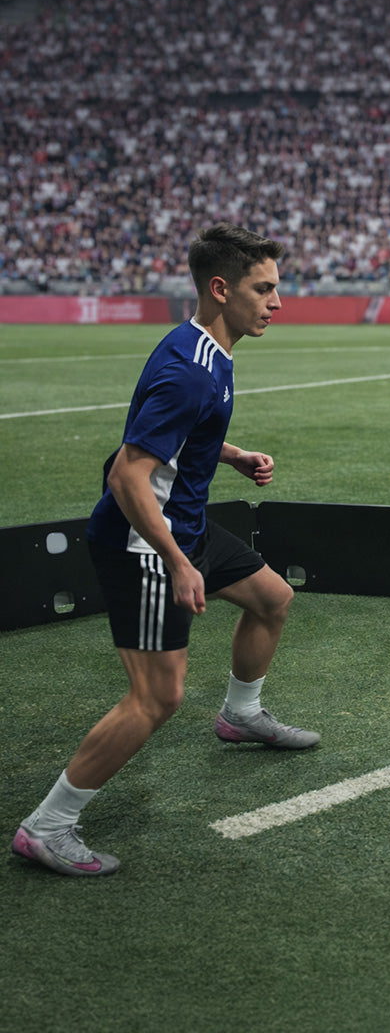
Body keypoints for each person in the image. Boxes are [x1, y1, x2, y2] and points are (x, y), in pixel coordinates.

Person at [13, 223, 319, 878]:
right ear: (219, 288)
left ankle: (241, 716)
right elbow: (126, 474)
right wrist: (178, 564)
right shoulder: (189, 370)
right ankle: (48, 826)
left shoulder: (205, 349)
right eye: (263, 289)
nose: (277, 302)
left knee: (272, 599)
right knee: (158, 698)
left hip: (186, 523)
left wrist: (227, 454)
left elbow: (165, 440)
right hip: (144, 542)